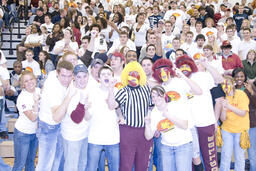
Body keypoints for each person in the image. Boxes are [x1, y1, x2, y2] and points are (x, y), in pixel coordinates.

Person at [107, 61, 153, 170]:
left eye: (136, 73)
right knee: (126, 164)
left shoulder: (146, 89)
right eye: (130, 74)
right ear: (126, 76)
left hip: (144, 131)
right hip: (128, 131)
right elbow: (112, 105)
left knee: (143, 163)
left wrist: (151, 125)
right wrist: (110, 89)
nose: (133, 76)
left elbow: (152, 106)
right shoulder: (124, 91)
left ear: (140, 75)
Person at [36, 60, 74, 171]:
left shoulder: (53, 75)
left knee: (55, 163)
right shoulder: (54, 88)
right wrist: (69, 96)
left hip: (57, 126)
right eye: (63, 76)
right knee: (45, 165)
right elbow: (57, 117)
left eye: (69, 76)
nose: (66, 80)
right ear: (57, 73)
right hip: (49, 127)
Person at [145, 85, 193, 171]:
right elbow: (148, 136)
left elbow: (185, 125)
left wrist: (169, 116)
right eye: (153, 96)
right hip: (166, 147)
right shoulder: (154, 113)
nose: (156, 98)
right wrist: (147, 124)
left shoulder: (176, 105)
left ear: (164, 95)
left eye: (158, 95)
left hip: (183, 146)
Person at [86, 65, 120, 171]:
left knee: (115, 168)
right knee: (91, 168)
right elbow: (87, 117)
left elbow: (116, 108)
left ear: (113, 77)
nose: (106, 76)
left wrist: (111, 89)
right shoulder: (92, 91)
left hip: (113, 138)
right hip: (94, 137)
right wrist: (85, 109)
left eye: (109, 74)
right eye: (103, 74)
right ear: (99, 78)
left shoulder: (117, 91)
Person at [61, 64, 90, 171]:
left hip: (84, 135)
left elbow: (87, 117)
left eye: (84, 76)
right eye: (79, 77)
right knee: (71, 167)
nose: (82, 80)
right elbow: (75, 118)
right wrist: (82, 104)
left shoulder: (87, 90)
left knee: (82, 165)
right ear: (73, 77)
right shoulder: (70, 92)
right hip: (72, 137)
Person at [219, 75, 250, 171]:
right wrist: (224, 109)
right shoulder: (222, 98)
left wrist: (229, 106)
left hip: (241, 130)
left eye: (228, 83)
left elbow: (243, 112)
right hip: (227, 130)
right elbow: (223, 119)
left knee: (239, 157)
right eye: (223, 84)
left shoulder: (241, 94)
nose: (226, 86)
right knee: (225, 155)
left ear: (233, 84)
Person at [12, 71, 40, 171]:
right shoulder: (22, 98)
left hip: (35, 134)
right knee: (20, 164)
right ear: (23, 84)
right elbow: (32, 118)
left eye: (31, 79)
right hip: (22, 134)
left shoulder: (39, 91)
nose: (29, 82)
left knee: (31, 162)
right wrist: (36, 103)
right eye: (26, 81)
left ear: (35, 79)